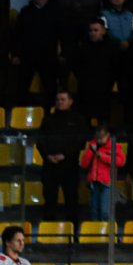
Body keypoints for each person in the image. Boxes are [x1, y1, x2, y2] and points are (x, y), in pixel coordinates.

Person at [38, 91, 88, 221]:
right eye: (58, 99)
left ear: (70, 101)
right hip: (50, 166)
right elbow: (40, 141)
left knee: (71, 200)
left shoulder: (78, 120)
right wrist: (48, 155)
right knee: (49, 200)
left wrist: (65, 155)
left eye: (63, 99)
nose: (59, 102)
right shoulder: (48, 119)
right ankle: (49, 230)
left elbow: (80, 142)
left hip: (69, 166)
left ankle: (72, 230)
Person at [80, 125, 126, 221]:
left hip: (107, 183)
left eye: (102, 138)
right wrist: (91, 151)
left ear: (107, 135)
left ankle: (106, 229)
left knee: (105, 211)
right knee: (94, 209)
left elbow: (120, 162)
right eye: (97, 138)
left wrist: (104, 156)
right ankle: (96, 229)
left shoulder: (114, 146)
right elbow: (84, 164)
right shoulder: (92, 146)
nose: (99, 140)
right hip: (94, 182)